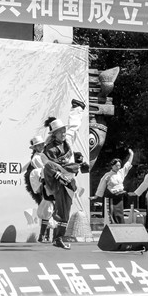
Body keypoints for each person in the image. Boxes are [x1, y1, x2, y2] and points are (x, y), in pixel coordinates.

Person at [41, 100, 88, 250]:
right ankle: (57, 236)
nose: (63, 133)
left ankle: (57, 237)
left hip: (69, 180)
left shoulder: (67, 141)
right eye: (60, 131)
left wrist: (77, 109)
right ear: (54, 134)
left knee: (65, 211)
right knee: (63, 211)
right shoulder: (49, 149)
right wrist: (65, 171)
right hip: (59, 181)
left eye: (63, 130)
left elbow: (73, 127)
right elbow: (49, 166)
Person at [24, 135, 55, 243]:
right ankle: (45, 235)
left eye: (42, 144)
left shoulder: (43, 156)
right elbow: (45, 170)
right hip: (44, 185)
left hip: (48, 184)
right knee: (47, 208)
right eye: (38, 145)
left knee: (49, 208)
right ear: (35, 147)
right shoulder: (37, 158)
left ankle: (45, 236)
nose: (41, 146)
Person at [94, 149, 134, 224]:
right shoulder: (107, 175)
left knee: (120, 214)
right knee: (111, 214)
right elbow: (101, 185)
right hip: (111, 196)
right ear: (112, 166)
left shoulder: (121, 172)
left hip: (119, 197)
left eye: (119, 165)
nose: (118, 167)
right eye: (116, 165)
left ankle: (120, 227)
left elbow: (128, 164)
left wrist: (131, 154)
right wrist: (96, 196)